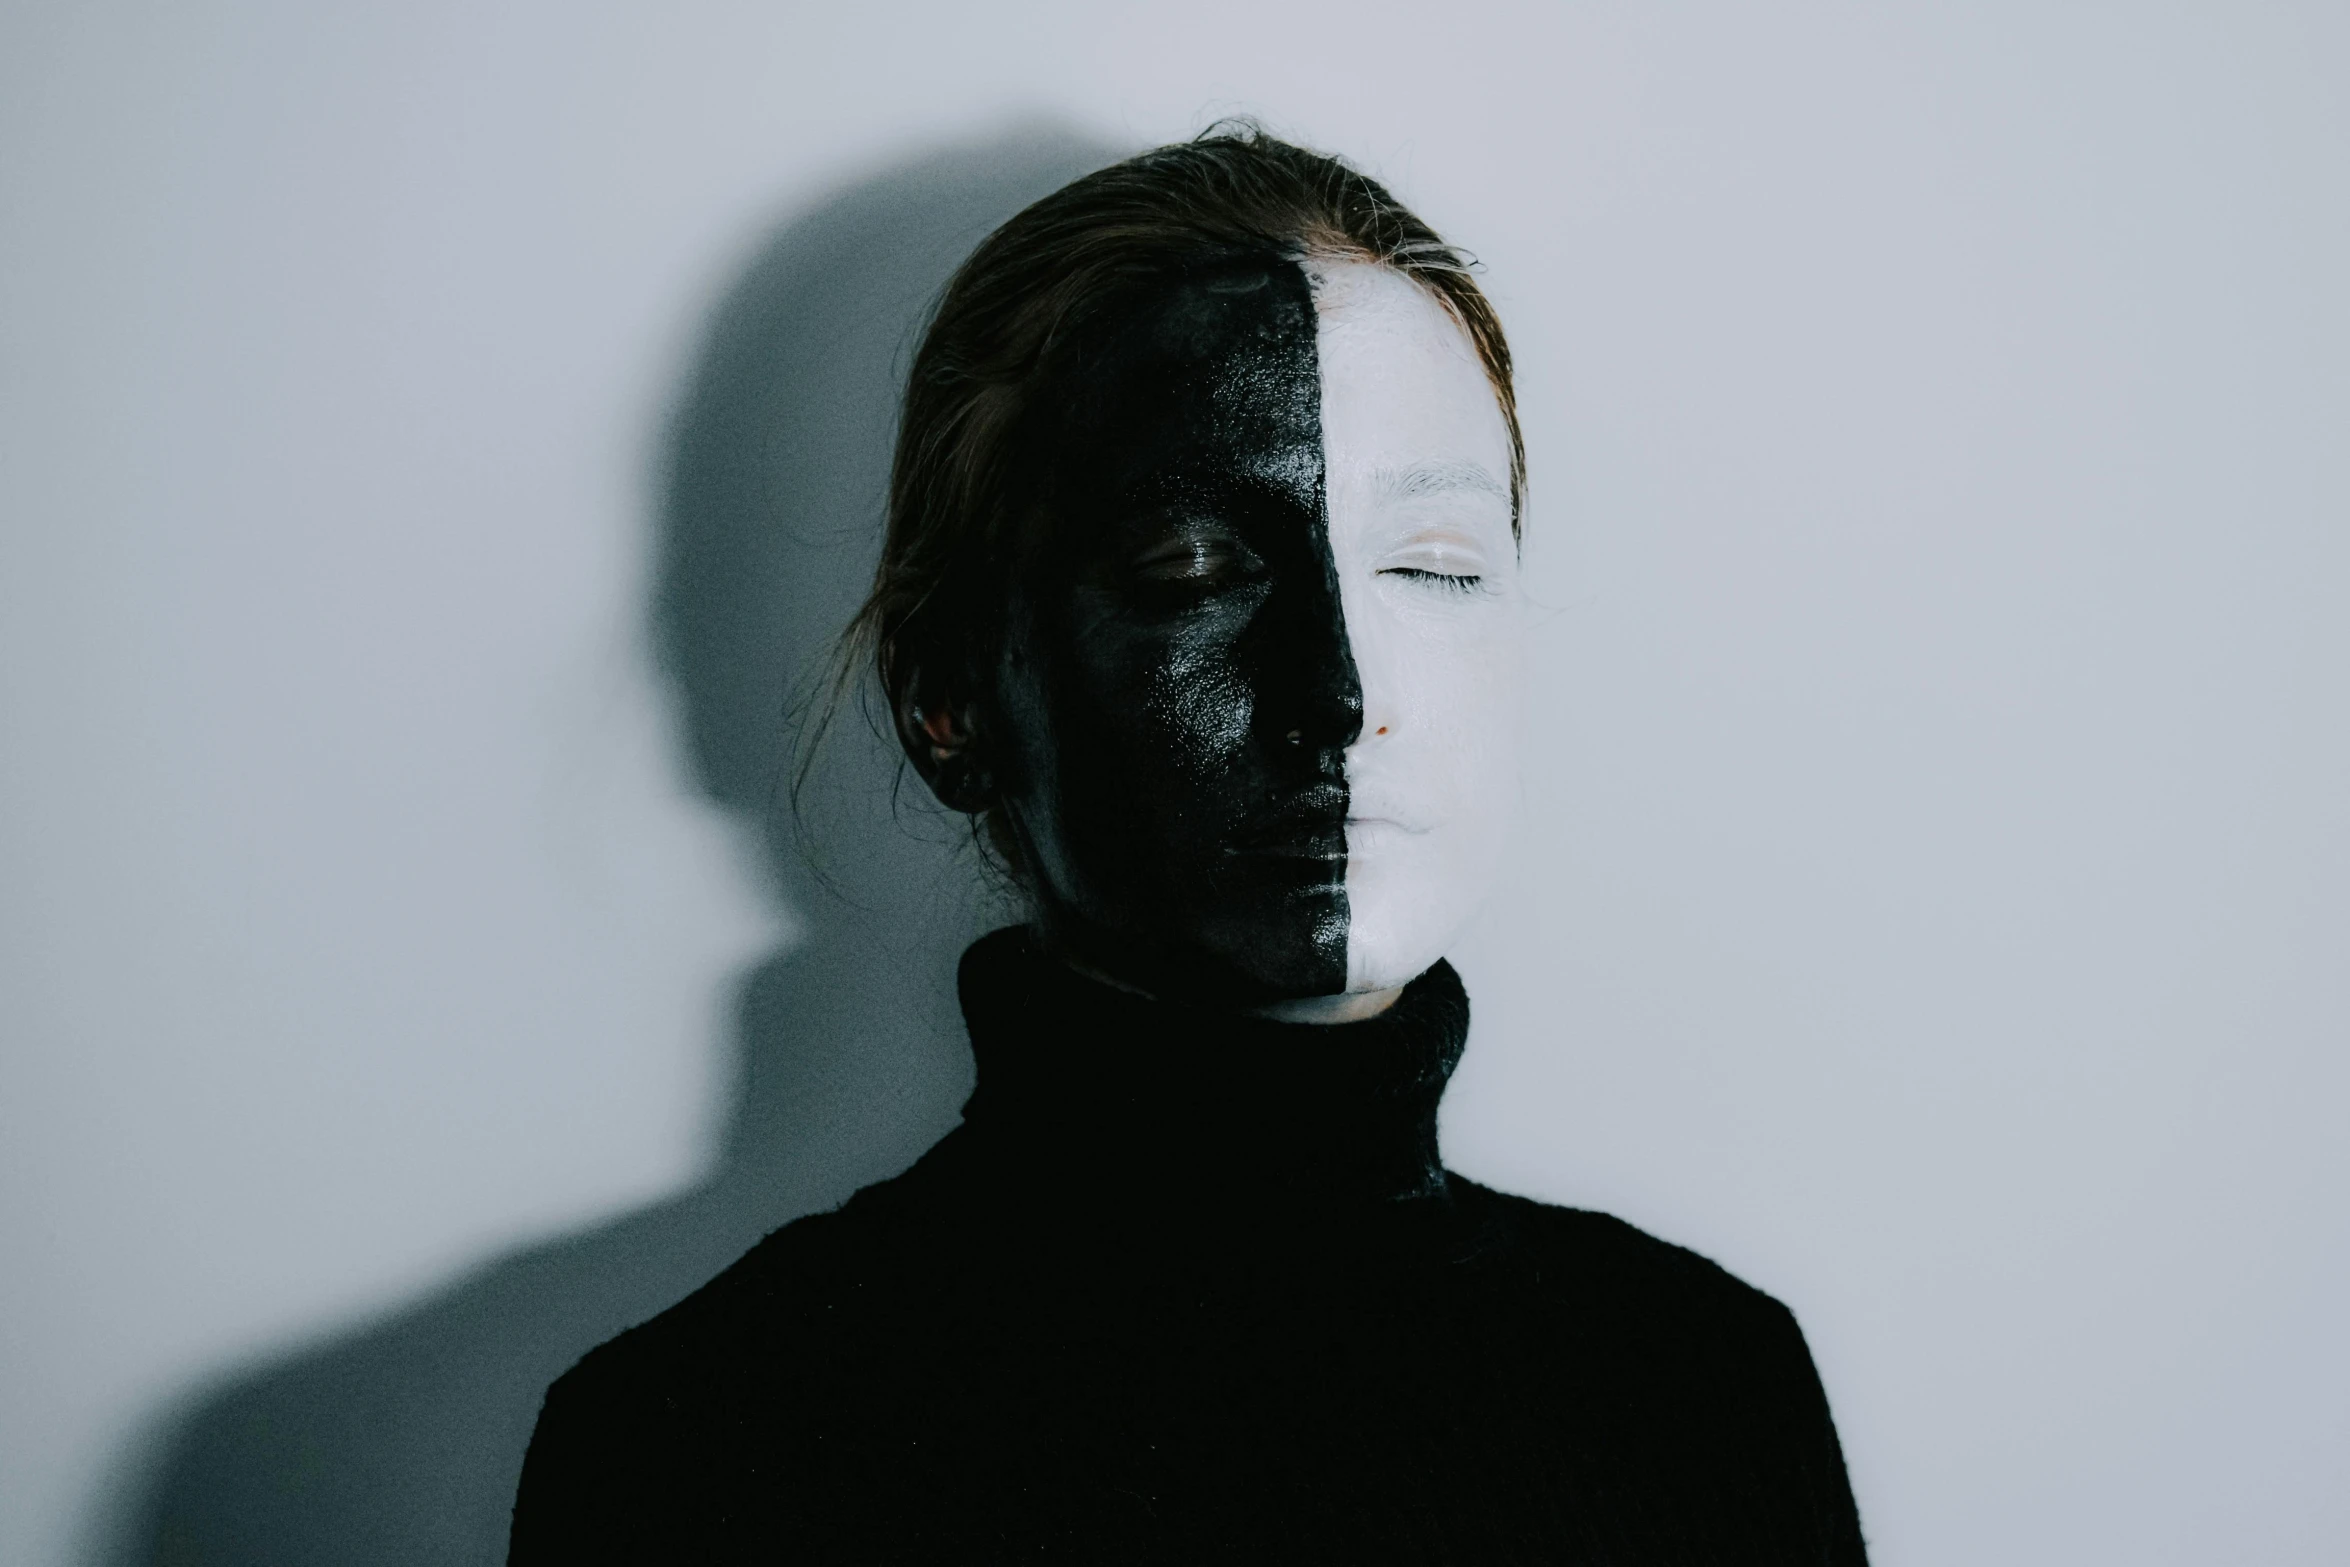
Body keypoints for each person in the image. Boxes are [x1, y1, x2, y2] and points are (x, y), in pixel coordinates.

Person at [509, 125, 1868, 1564]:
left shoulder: (1701, 1384)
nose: (1341, 696)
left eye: (1433, 566)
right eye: (1193, 569)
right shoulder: (709, 1441)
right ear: (949, 698)